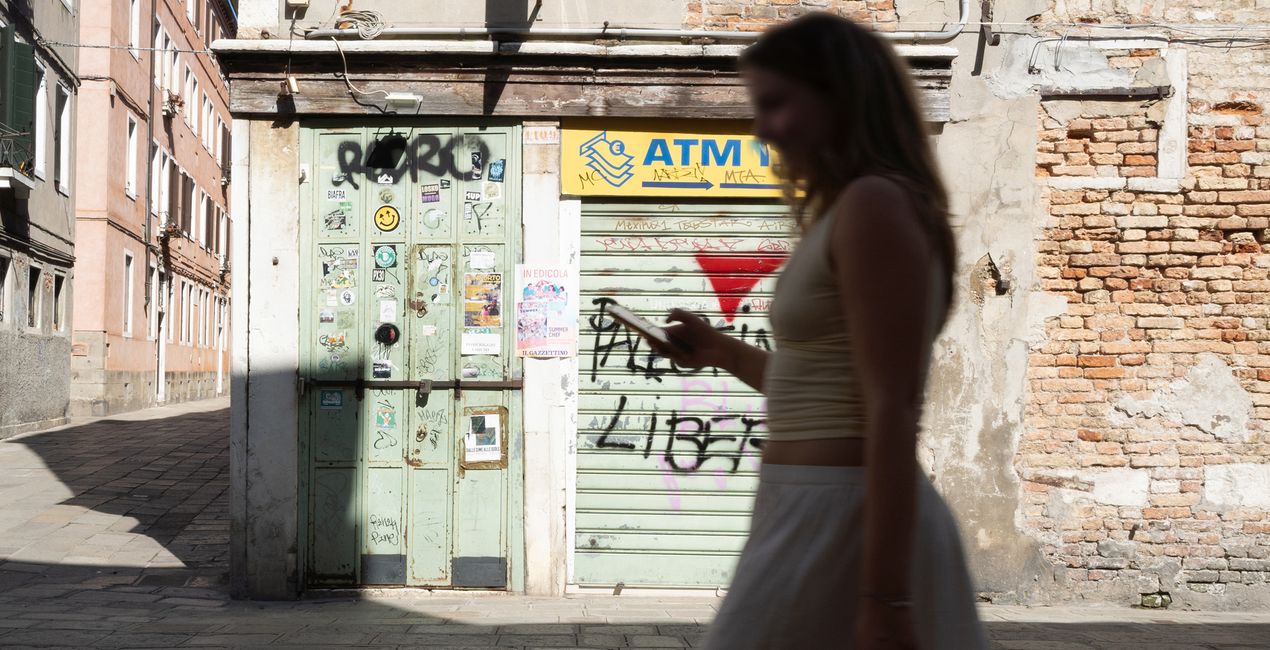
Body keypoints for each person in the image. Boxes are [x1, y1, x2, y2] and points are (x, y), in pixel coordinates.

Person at [642, 13, 988, 650]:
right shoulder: (848, 207)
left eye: (777, 103)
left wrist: (885, 598)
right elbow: (824, 388)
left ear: (839, 96)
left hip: (843, 517)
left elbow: (892, 405)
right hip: (808, 508)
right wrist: (718, 351)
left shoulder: (874, 204)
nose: (762, 127)